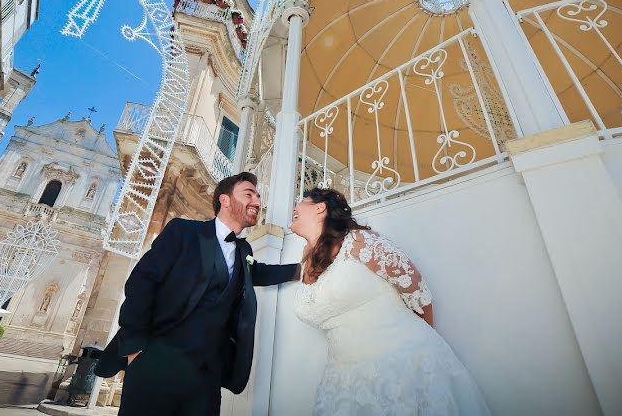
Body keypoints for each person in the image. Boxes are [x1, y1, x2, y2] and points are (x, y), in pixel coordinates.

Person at [96, 172, 300, 416]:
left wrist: (303, 269)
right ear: (224, 200)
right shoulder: (184, 231)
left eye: (258, 197)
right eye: (249, 194)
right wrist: (135, 348)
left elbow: (258, 273)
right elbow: (142, 282)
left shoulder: (243, 249)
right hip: (156, 360)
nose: (257, 202)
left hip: (207, 376)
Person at [291, 187, 492, 415]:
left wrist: (419, 360)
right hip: (343, 382)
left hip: (403, 368)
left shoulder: (359, 242)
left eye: (301, 202)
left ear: (320, 208)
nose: (294, 209)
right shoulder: (307, 260)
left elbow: (417, 290)